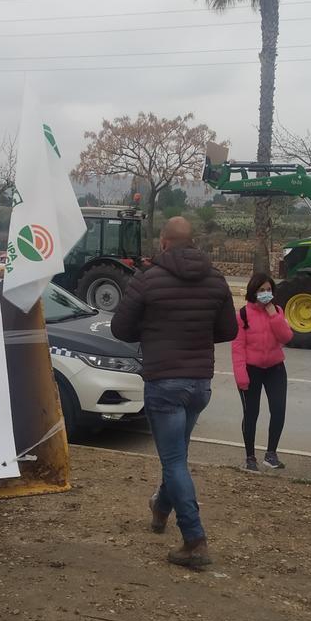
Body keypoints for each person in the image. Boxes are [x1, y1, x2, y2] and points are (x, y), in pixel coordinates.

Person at [111, 216, 238, 568]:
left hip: (164, 382)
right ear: (192, 241)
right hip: (199, 383)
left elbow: (120, 328)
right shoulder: (216, 279)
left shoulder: (147, 279)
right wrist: (194, 332)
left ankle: (195, 541)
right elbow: (229, 329)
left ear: (164, 242)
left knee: (174, 461)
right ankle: (159, 509)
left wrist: (156, 329)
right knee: (177, 455)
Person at [231, 273, 293, 472]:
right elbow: (238, 347)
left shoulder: (277, 311)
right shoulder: (242, 315)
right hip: (252, 370)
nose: (266, 293)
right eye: (261, 290)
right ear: (253, 292)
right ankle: (250, 457)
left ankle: (271, 454)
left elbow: (286, 336)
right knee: (251, 413)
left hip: (275, 368)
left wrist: (273, 314)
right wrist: (241, 375)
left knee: (278, 411)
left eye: (268, 290)